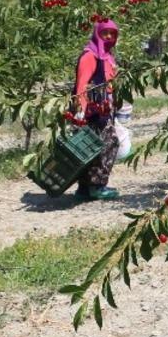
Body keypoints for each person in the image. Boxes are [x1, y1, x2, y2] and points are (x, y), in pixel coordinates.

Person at [74, 19, 121, 201]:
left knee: (91, 147)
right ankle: (97, 186)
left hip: (103, 109)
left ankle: (84, 189)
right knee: (108, 144)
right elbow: (82, 86)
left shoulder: (107, 57)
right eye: (105, 33)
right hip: (92, 111)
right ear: (97, 34)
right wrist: (80, 113)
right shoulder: (90, 56)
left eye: (112, 33)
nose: (109, 37)